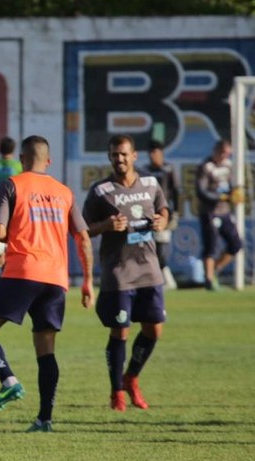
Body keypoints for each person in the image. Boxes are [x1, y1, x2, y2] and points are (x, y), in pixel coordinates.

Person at [0, 135, 95, 432]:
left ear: (22, 159)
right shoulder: (64, 192)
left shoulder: (12, 184)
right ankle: (44, 419)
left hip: (23, 271)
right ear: (48, 161)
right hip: (56, 279)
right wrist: (88, 280)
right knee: (45, 349)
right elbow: (83, 238)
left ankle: (8, 380)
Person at [84, 135, 169, 412]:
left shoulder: (151, 183)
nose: (119, 159)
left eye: (123, 154)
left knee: (154, 329)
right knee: (120, 331)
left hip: (149, 269)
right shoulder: (101, 191)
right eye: (114, 155)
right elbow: (84, 229)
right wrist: (106, 226)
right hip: (119, 272)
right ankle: (116, 392)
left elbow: (163, 210)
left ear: (134, 156)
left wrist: (162, 221)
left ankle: (131, 377)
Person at [195, 139, 243, 290]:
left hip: (225, 211)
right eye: (222, 153)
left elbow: (233, 186)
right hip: (210, 212)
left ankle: (215, 268)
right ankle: (209, 280)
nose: (224, 156)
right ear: (216, 151)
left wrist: (236, 193)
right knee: (211, 246)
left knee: (236, 244)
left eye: (227, 154)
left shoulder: (229, 165)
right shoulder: (206, 166)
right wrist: (221, 197)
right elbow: (201, 191)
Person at [140, 140, 180, 289]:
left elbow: (175, 191)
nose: (152, 155)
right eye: (150, 152)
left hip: (163, 214)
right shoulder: (144, 171)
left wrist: (175, 212)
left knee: (160, 247)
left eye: (155, 152)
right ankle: (154, 278)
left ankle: (167, 280)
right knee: (147, 247)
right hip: (147, 214)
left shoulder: (168, 169)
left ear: (161, 153)